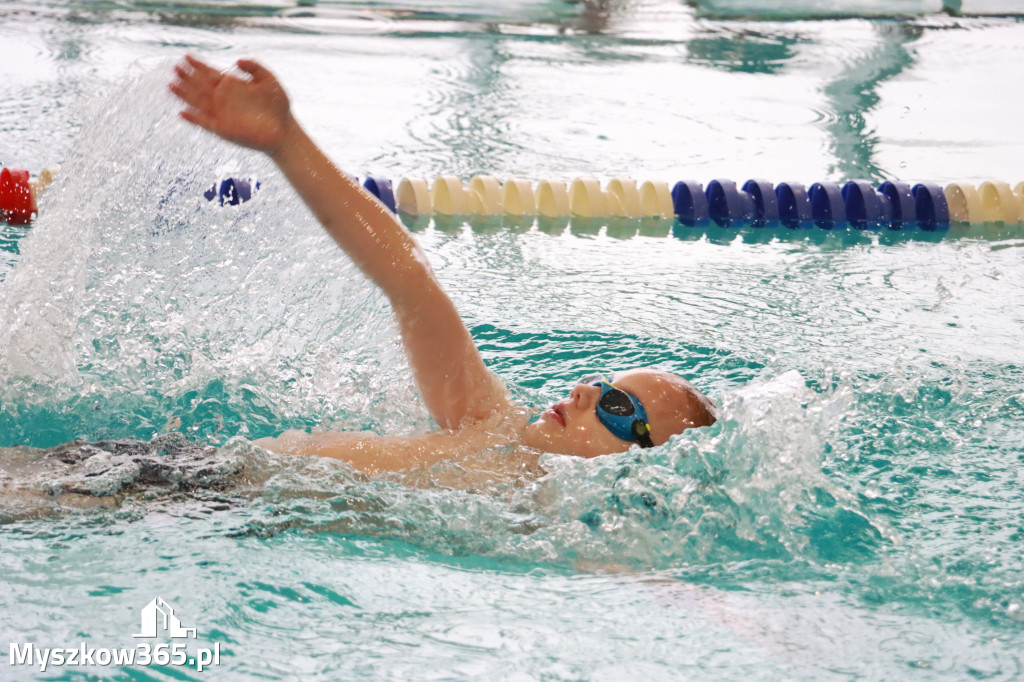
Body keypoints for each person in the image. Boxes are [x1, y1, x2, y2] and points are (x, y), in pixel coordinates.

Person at [169, 55, 716, 475]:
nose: (584, 392)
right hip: (185, 469)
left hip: (198, 504)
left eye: (616, 405)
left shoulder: (538, 504)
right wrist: (286, 142)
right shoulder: (489, 423)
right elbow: (410, 280)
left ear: (639, 464)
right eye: (601, 383)